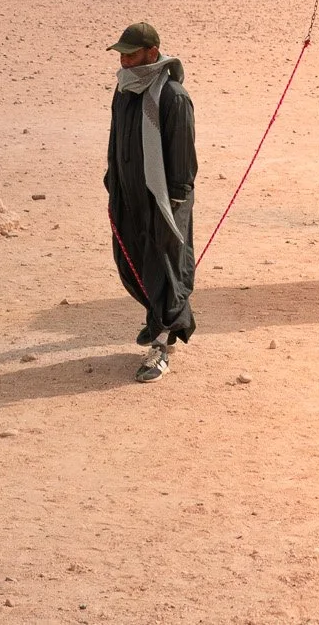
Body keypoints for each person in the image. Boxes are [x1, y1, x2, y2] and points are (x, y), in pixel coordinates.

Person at [105, 21, 198, 382]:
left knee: (165, 271)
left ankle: (162, 344)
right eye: (122, 55)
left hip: (164, 200)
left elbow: (183, 163)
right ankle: (156, 321)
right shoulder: (124, 90)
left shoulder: (173, 97)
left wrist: (173, 205)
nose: (125, 61)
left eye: (131, 54)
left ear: (152, 54)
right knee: (131, 264)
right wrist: (112, 183)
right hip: (127, 194)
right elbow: (116, 141)